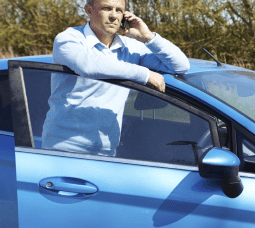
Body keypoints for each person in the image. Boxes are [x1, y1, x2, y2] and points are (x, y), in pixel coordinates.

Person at [41, 0, 190, 156]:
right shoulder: (69, 38)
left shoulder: (131, 47)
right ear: (88, 10)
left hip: (107, 148)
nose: (113, 16)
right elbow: (88, 66)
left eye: (119, 10)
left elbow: (180, 66)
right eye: (107, 8)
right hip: (64, 147)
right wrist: (145, 74)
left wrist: (148, 37)